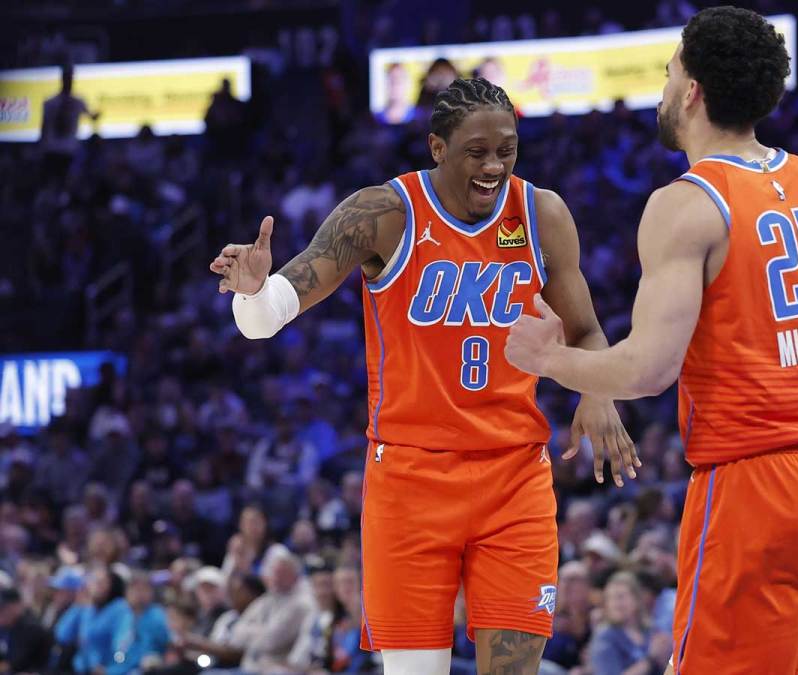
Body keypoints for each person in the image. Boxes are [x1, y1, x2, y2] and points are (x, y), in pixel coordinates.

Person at [209, 76, 635, 674]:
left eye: (507, 150)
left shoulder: (543, 214)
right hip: (410, 479)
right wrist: (254, 292)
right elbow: (271, 313)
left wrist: (598, 392)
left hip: (514, 476)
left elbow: (586, 330)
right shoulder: (382, 213)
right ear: (437, 148)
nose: (494, 166)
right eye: (477, 152)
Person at [503, 7, 798, 671]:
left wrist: (550, 359)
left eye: (669, 71)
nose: (664, 85)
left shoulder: (687, 202)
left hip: (756, 484)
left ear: (692, 92)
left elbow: (649, 370)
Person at [588, 572, 672, 675]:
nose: (616, 603)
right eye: (610, 598)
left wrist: (665, 657)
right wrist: (650, 660)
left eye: (621, 597)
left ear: (636, 599)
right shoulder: (604, 637)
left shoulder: (651, 631)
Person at [0, 586, 53, 673]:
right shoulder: (6, 626)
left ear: (16, 606)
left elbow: (15, 664)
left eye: (3, 608)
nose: (1, 613)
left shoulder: (32, 628)